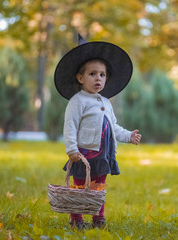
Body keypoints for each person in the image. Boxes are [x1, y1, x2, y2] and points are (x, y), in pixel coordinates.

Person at [54, 34, 142, 229]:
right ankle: (76, 219)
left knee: (98, 188)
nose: (98, 78)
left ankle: (97, 218)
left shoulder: (105, 102)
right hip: (82, 154)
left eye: (102, 75)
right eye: (92, 74)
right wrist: (71, 150)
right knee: (79, 187)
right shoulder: (77, 101)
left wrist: (128, 136)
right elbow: (70, 126)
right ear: (80, 77)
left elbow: (113, 127)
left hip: (103, 154)